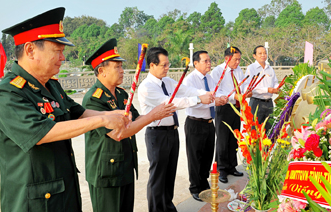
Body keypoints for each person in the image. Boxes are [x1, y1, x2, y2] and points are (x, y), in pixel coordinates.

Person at [0, 7, 131, 212]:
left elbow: (78, 112)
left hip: (64, 192)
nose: (63, 58)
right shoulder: (9, 93)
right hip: (34, 201)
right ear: (30, 50)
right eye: (57, 51)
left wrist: (111, 114)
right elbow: (42, 133)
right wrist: (102, 121)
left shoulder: (51, 85)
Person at [82, 39, 176, 212]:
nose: (122, 71)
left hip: (124, 166)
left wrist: (149, 117)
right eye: (117, 67)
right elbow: (119, 133)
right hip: (106, 173)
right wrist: (153, 116)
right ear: (101, 71)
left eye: (121, 66)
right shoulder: (94, 99)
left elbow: (137, 119)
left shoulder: (121, 94)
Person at [138, 47, 214, 212]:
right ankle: (157, 209)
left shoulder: (167, 81)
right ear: (152, 65)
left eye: (168, 64)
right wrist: (198, 99)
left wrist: (207, 93)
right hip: (156, 135)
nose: (167, 68)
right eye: (164, 65)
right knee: (158, 176)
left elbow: (186, 90)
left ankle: (168, 206)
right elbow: (170, 103)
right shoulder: (147, 87)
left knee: (170, 174)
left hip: (172, 132)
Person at [182, 51, 228, 202]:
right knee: (195, 157)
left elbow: (216, 92)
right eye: (205, 61)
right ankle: (195, 187)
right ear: (196, 63)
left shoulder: (210, 77)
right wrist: (216, 101)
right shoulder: (190, 80)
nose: (209, 63)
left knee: (208, 155)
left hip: (209, 122)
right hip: (195, 122)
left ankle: (204, 182)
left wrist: (222, 97)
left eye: (209, 60)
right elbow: (197, 100)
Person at [210, 46, 251, 184]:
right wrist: (234, 96)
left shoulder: (238, 70)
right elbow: (217, 90)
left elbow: (242, 84)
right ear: (227, 58)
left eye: (239, 59)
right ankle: (221, 169)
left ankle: (231, 166)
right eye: (235, 59)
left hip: (236, 107)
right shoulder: (217, 71)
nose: (238, 62)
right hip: (224, 107)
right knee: (222, 140)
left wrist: (246, 92)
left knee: (234, 137)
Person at [245, 45, 279, 131]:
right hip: (256, 103)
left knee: (269, 130)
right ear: (254, 56)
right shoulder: (251, 68)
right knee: (255, 130)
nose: (263, 55)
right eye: (260, 53)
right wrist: (267, 90)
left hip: (269, 104)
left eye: (265, 53)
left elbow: (275, 82)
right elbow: (249, 87)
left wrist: (277, 89)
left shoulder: (270, 68)